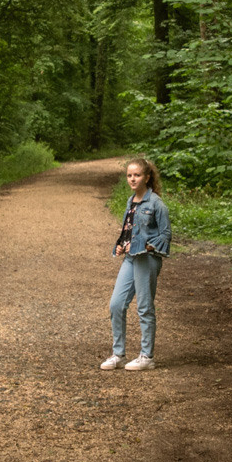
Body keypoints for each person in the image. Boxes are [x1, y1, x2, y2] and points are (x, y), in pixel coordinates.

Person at [103, 157, 169, 371]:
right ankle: (118, 354)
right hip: (130, 259)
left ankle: (146, 356)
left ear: (147, 178)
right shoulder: (131, 201)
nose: (132, 179)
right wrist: (122, 245)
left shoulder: (156, 203)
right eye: (129, 175)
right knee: (116, 304)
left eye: (137, 175)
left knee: (144, 308)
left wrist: (146, 247)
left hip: (147, 260)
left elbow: (165, 235)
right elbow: (128, 230)